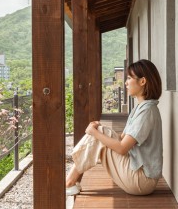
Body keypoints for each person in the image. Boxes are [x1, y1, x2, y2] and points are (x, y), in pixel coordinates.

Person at [65, 59, 162, 196]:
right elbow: (121, 138)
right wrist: (99, 132)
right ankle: (70, 180)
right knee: (101, 132)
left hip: (141, 181)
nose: (126, 82)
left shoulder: (147, 111)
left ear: (142, 81)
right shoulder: (140, 108)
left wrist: (94, 132)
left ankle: (69, 182)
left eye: (129, 78)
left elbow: (122, 148)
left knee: (99, 132)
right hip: (138, 175)